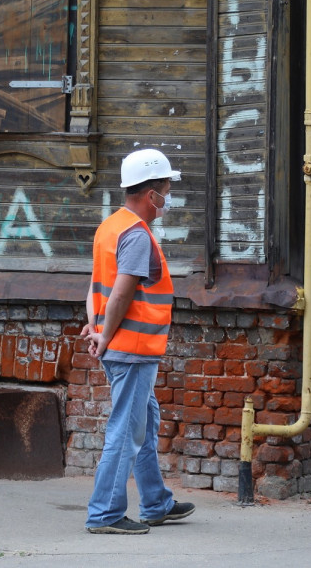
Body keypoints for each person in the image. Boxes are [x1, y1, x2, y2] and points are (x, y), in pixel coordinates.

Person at [82, 148, 196, 535]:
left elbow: (94, 287)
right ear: (151, 195)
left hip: (121, 346)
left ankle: (156, 502)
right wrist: (104, 335)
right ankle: (105, 514)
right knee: (126, 430)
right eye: (167, 188)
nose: (169, 196)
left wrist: (95, 327)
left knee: (143, 422)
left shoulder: (111, 226)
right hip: (131, 349)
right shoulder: (137, 235)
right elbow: (121, 294)